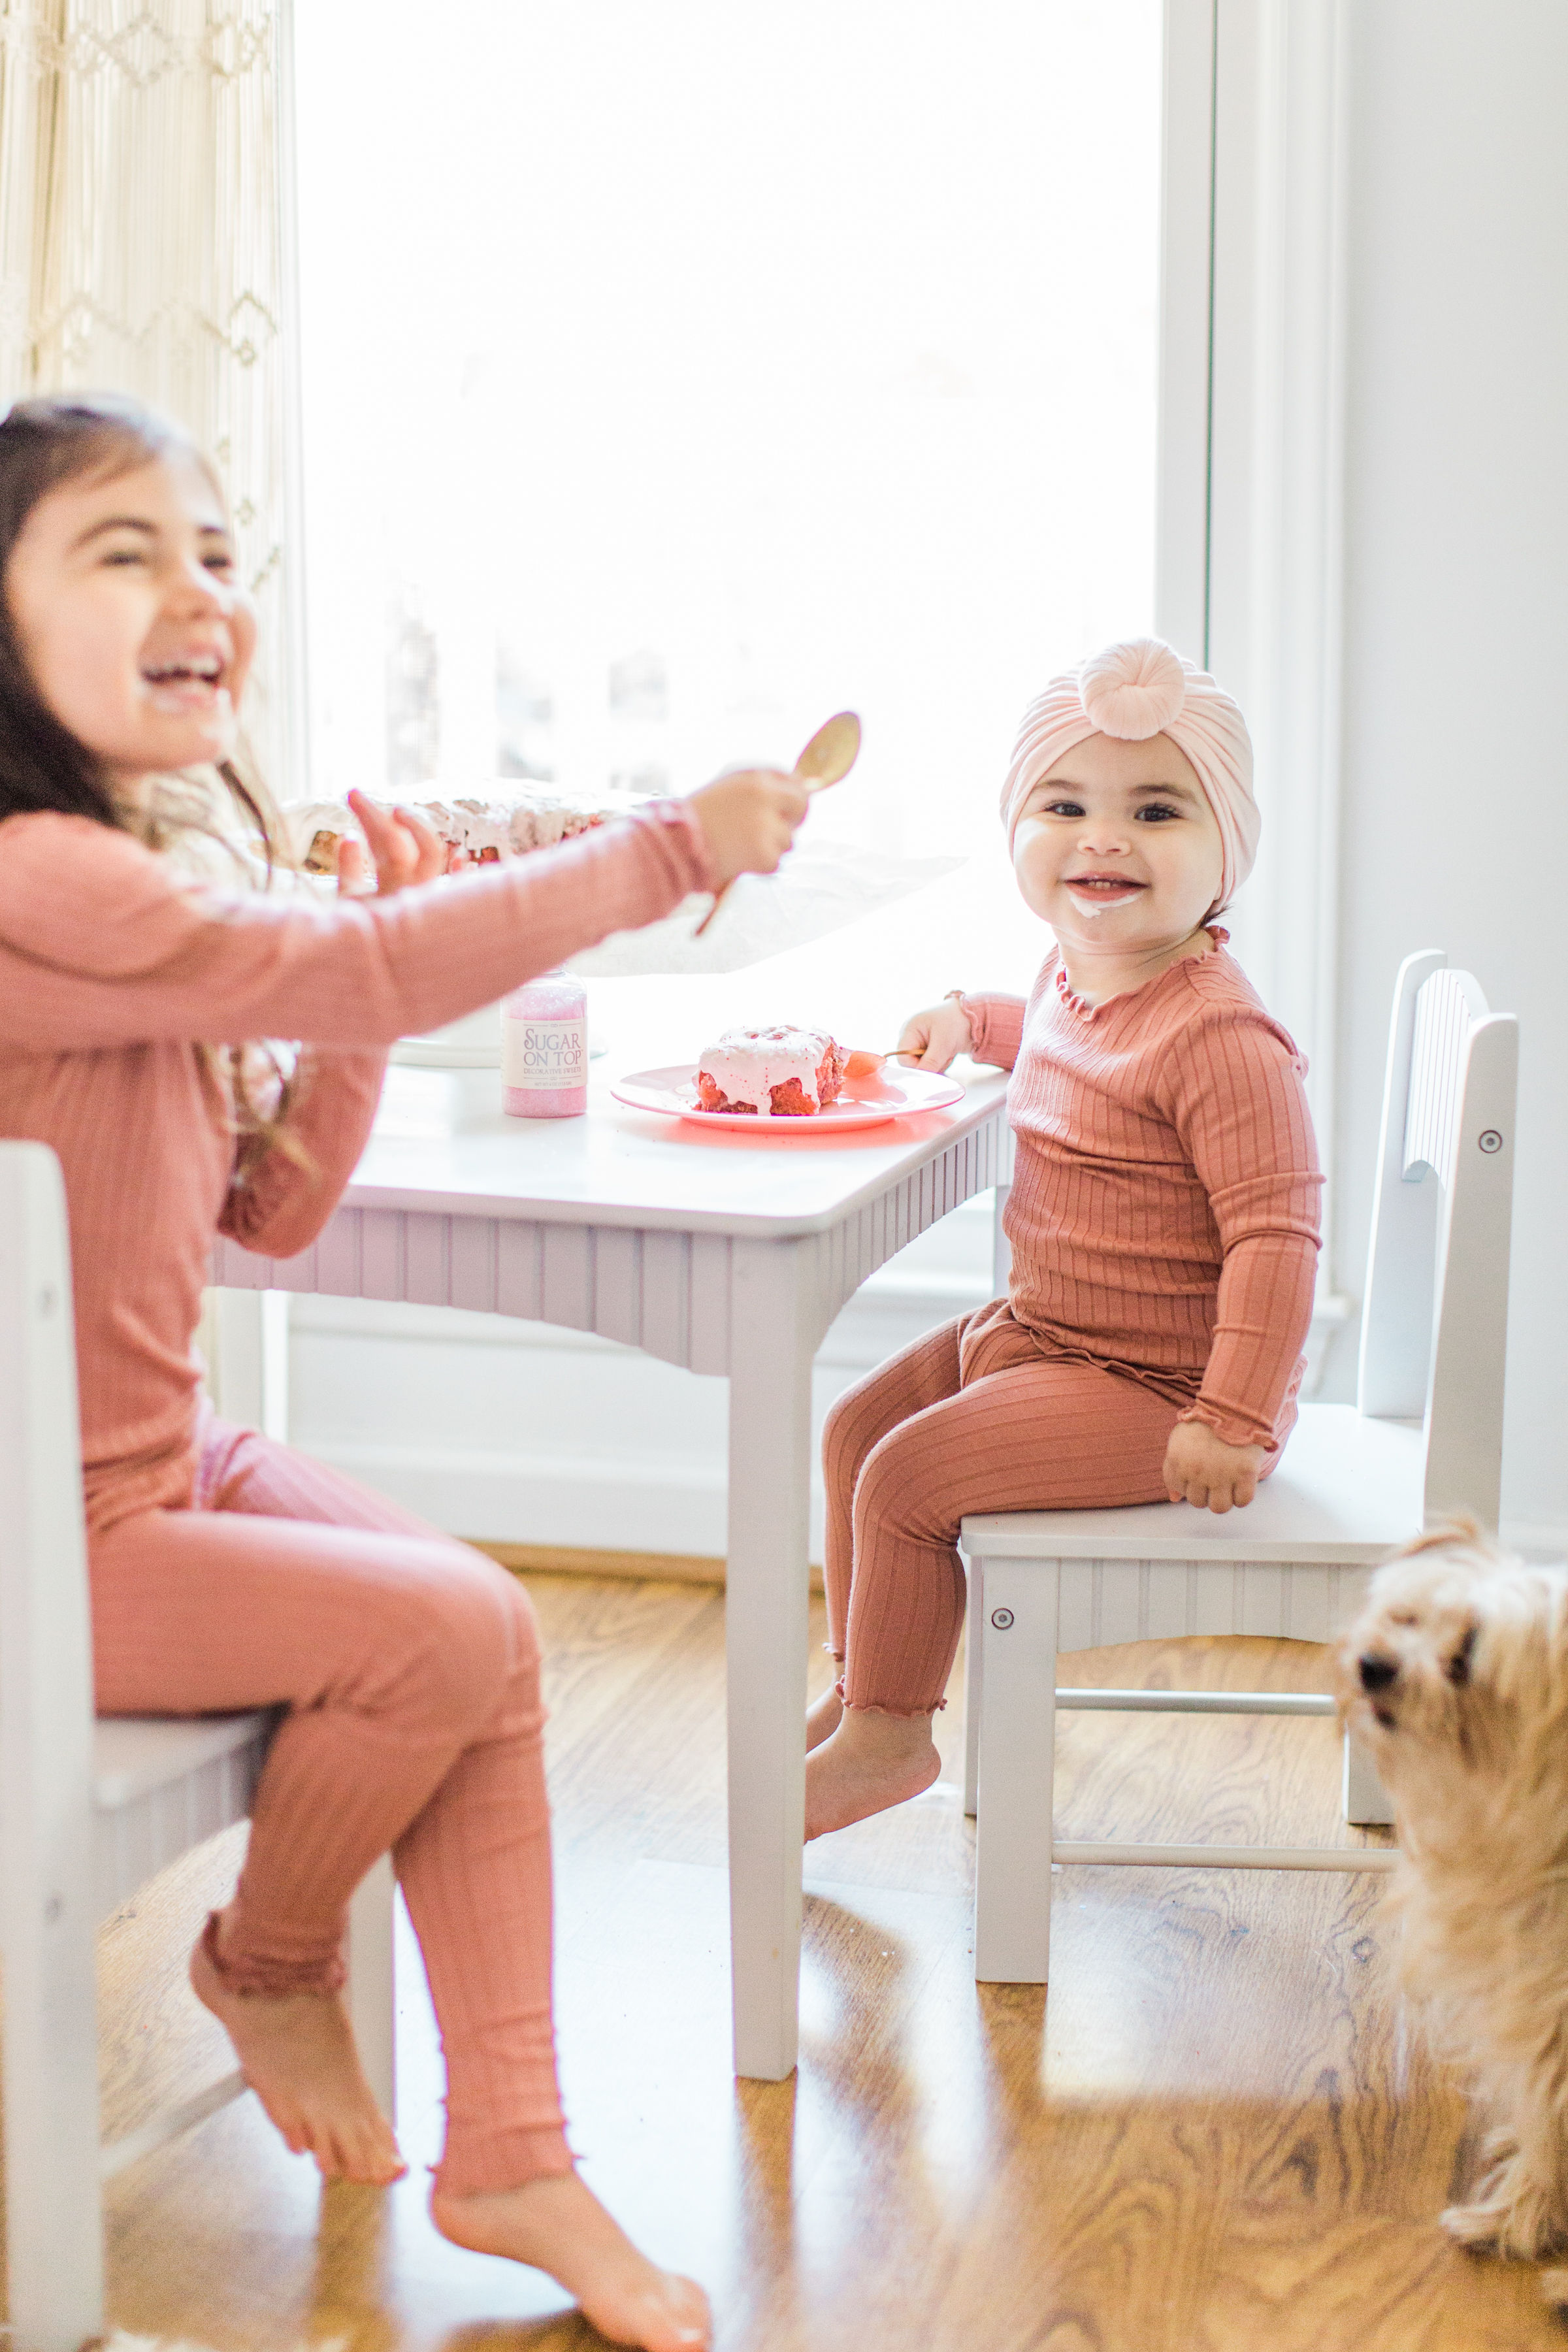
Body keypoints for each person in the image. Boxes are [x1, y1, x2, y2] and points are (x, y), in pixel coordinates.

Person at [0, 389, 810, 2352]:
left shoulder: (144, 889)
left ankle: (514, 2148)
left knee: (494, 1641)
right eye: (127, 549)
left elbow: (269, 1218)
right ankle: (270, 1963)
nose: (200, 587)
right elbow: (360, 974)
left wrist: (351, 985)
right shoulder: (44, 879)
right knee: (441, 1633)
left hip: (150, 1466)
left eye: (218, 553)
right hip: (43, 1532)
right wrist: (658, 849)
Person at [804, 636, 1323, 1841]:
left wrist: (1232, 1416)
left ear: (1224, 849)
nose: (1103, 837)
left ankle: (890, 1738)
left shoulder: (1221, 1040)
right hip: (1047, 1334)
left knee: (909, 1476)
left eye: (1156, 809)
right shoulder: (1072, 972)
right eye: (1066, 804)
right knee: (852, 1430)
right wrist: (966, 1018)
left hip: (1163, 1387)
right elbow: (1047, 1033)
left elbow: (1279, 1239)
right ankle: (863, 1681)